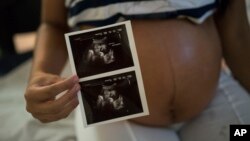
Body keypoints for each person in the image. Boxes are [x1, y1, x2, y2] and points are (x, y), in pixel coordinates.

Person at [24, 0, 250, 140]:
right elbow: (53, 24)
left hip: (213, 96)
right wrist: (40, 73)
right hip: (113, 112)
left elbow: (237, 32)